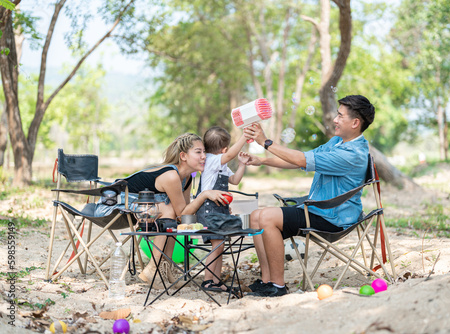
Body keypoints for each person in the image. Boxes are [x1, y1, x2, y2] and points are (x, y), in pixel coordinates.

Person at [241, 95, 376, 297]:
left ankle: (278, 287)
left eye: (340, 116)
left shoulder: (352, 154)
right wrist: (262, 161)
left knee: (267, 217)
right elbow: (300, 161)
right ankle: (267, 280)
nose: (335, 120)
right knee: (255, 216)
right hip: (318, 209)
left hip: (332, 218)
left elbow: (301, 159)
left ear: (355, 123)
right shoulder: (337, 142)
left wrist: (265, 142)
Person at [95, 133, 232, 289]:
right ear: (183, 156)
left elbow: (186, 213)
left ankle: (165, 269)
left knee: (172, 213)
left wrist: (214, 208)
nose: (204, 157)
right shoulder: (171, 176)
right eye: (198, 152)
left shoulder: (187, 178)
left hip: (145, 208)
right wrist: (205, 195)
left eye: (204, 152)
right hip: (114, 203)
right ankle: (153, 269)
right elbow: (182, 212)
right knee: (169, 211)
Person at [195, 126, 249, 292]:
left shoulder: (221, 164)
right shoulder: (211, 159)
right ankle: (207, 281)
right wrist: (244, 137)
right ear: (224, 149)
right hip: (208, 210)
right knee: (217, 245)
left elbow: (234, 180)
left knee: (220, 244)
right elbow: (230, 155)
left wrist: (241, 165)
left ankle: (216, 281)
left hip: (220, 210)